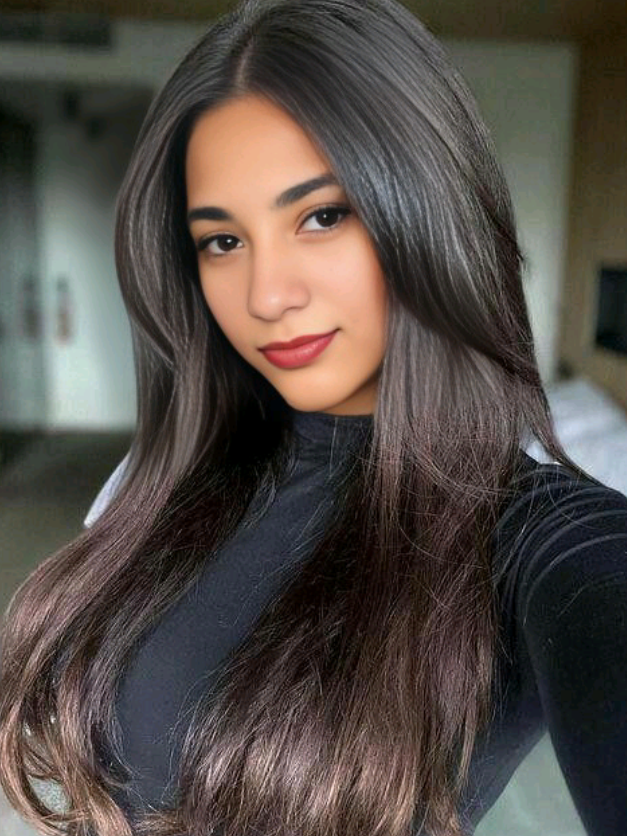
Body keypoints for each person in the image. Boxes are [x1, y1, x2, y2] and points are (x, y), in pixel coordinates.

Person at [1, 1, 626, 835]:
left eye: (322, 216)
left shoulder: (530, 538)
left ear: (429, 217)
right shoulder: (168, 478)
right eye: (222, 241)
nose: (266, 296)